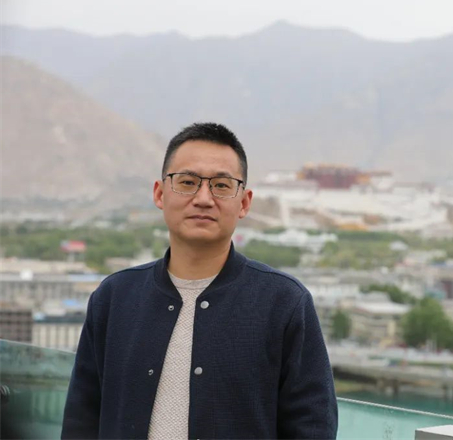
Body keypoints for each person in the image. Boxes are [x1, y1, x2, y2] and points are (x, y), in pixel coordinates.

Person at [62, 123, 338, 439]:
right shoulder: (115, 298)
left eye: (221, 185)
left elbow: (313, 427)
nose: (203, 198)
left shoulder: (284, 303)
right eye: (187, 182)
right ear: (159, 193)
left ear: (244, 202)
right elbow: (81, 421)